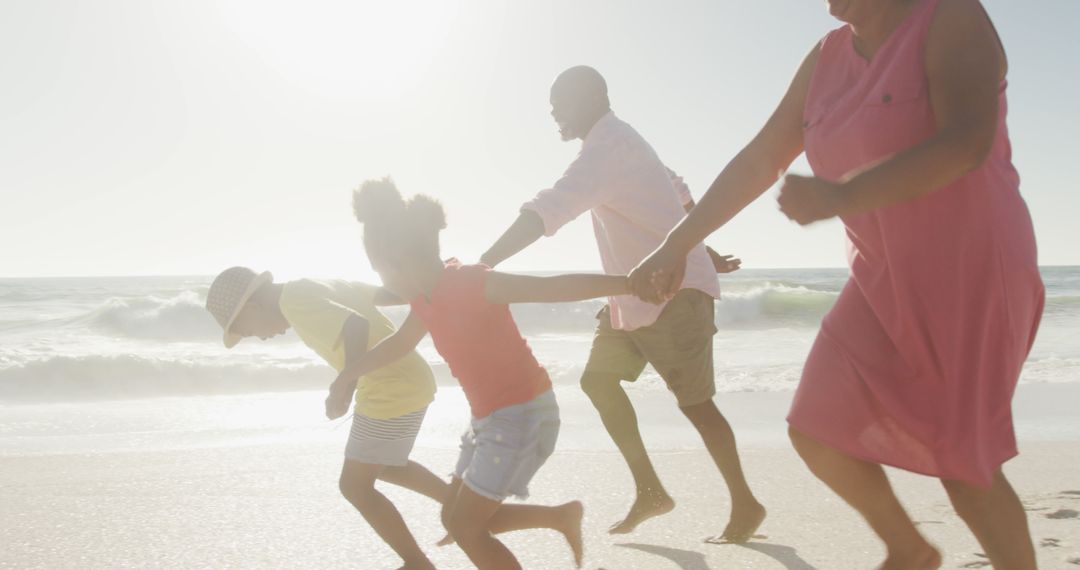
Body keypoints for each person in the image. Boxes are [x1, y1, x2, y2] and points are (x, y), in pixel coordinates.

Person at [630, 1, 1044, 567]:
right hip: (880, 275)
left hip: (970, 269)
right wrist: (676, 242)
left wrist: (844, 196)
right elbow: (760, 158)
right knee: (817, 428)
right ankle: (909, 549)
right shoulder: (827, 55)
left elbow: (967, 143)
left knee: (964, 465)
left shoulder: (950, 15)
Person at [480, 65, 764, 541]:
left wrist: (483, 265)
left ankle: (746, 504)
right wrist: (705, 246)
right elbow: (675, 189)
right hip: (634, 295)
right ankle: (651, 490)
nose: (553, 111)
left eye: (560, 100)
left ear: (591, 97)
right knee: (598, 381)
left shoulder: (606, 149)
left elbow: (548, 208)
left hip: (676, 293)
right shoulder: (622, 141)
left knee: (696, 405)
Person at [326, 177, 651, 569]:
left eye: (381, 270)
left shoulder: (470, 282)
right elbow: (399, 344)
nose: (383, 282)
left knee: (466, 528)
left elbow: (551, 288)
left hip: (524, 417)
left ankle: (556, 520)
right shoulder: (424, 299)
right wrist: (347, 377)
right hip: (491, 421)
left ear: (401, 260)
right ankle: (560, 517)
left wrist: (630, 283)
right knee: (454, 516)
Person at [205, 267, 447, 570]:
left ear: (252, 307)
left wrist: (345, 384)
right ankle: (461, 506)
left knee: (355, 486)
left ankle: (417, 564)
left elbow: (355, 325)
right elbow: (385, 295)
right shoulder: (312, 283)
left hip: (388, 387)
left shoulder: (294, 303)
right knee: (384, 465)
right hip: (409, 377)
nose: (263, 338)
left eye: (250, 331)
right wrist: (429, 285)